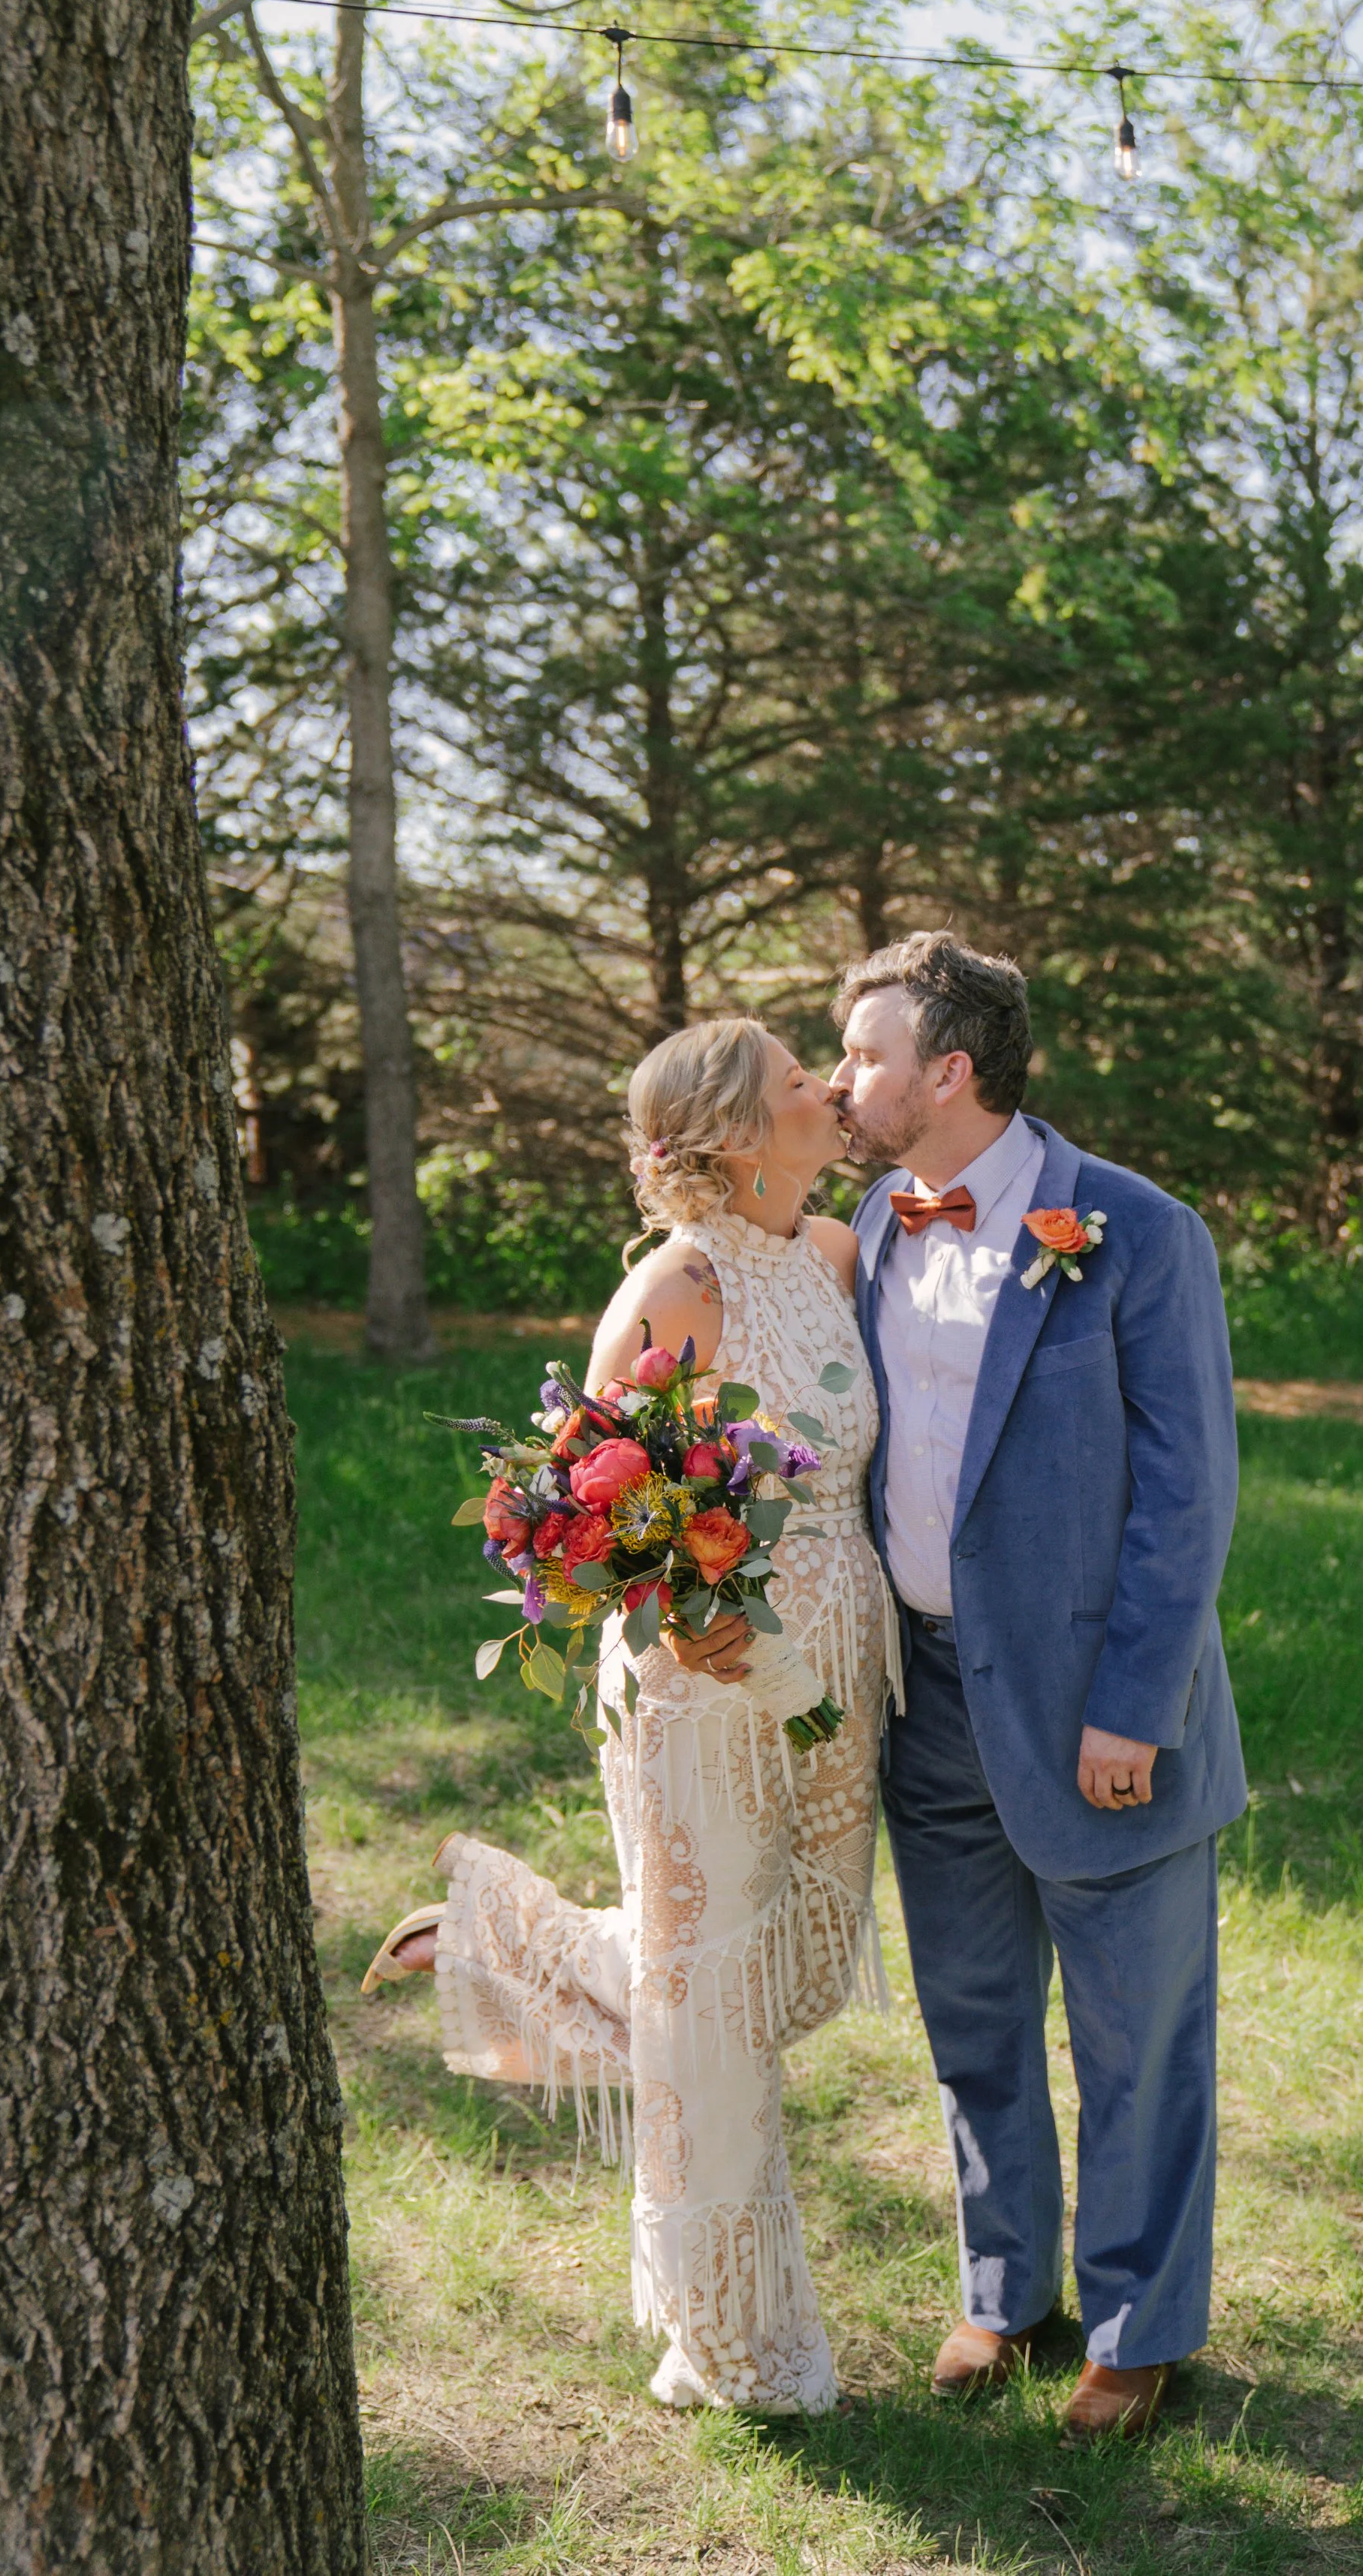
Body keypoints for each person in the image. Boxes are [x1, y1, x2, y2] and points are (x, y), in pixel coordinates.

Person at [360, 1018, 899, 2415]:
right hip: (703, 1673)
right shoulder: (676, 1283)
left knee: (801, 1966)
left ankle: (515, 1939)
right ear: (730, 1133)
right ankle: (737, 2341)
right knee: (713, 1988)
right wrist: (686, 1606)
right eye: (800, 1079)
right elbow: (577, 1512)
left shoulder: (838, 1255)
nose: (828, 1090)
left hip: (844, 1658)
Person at [830, 932, 1245, 2440]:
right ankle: (1002, 2290)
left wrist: (1134, 1705)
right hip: (925, 1699)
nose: (842, 1080)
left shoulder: (1134, 1232)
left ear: (947, 1069)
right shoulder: (875, 1219)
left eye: (865, 1054)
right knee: (975, 2019)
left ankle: (1137, 2330)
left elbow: (1185, 1495)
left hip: (1098, 1715)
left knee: (1135, 2041)